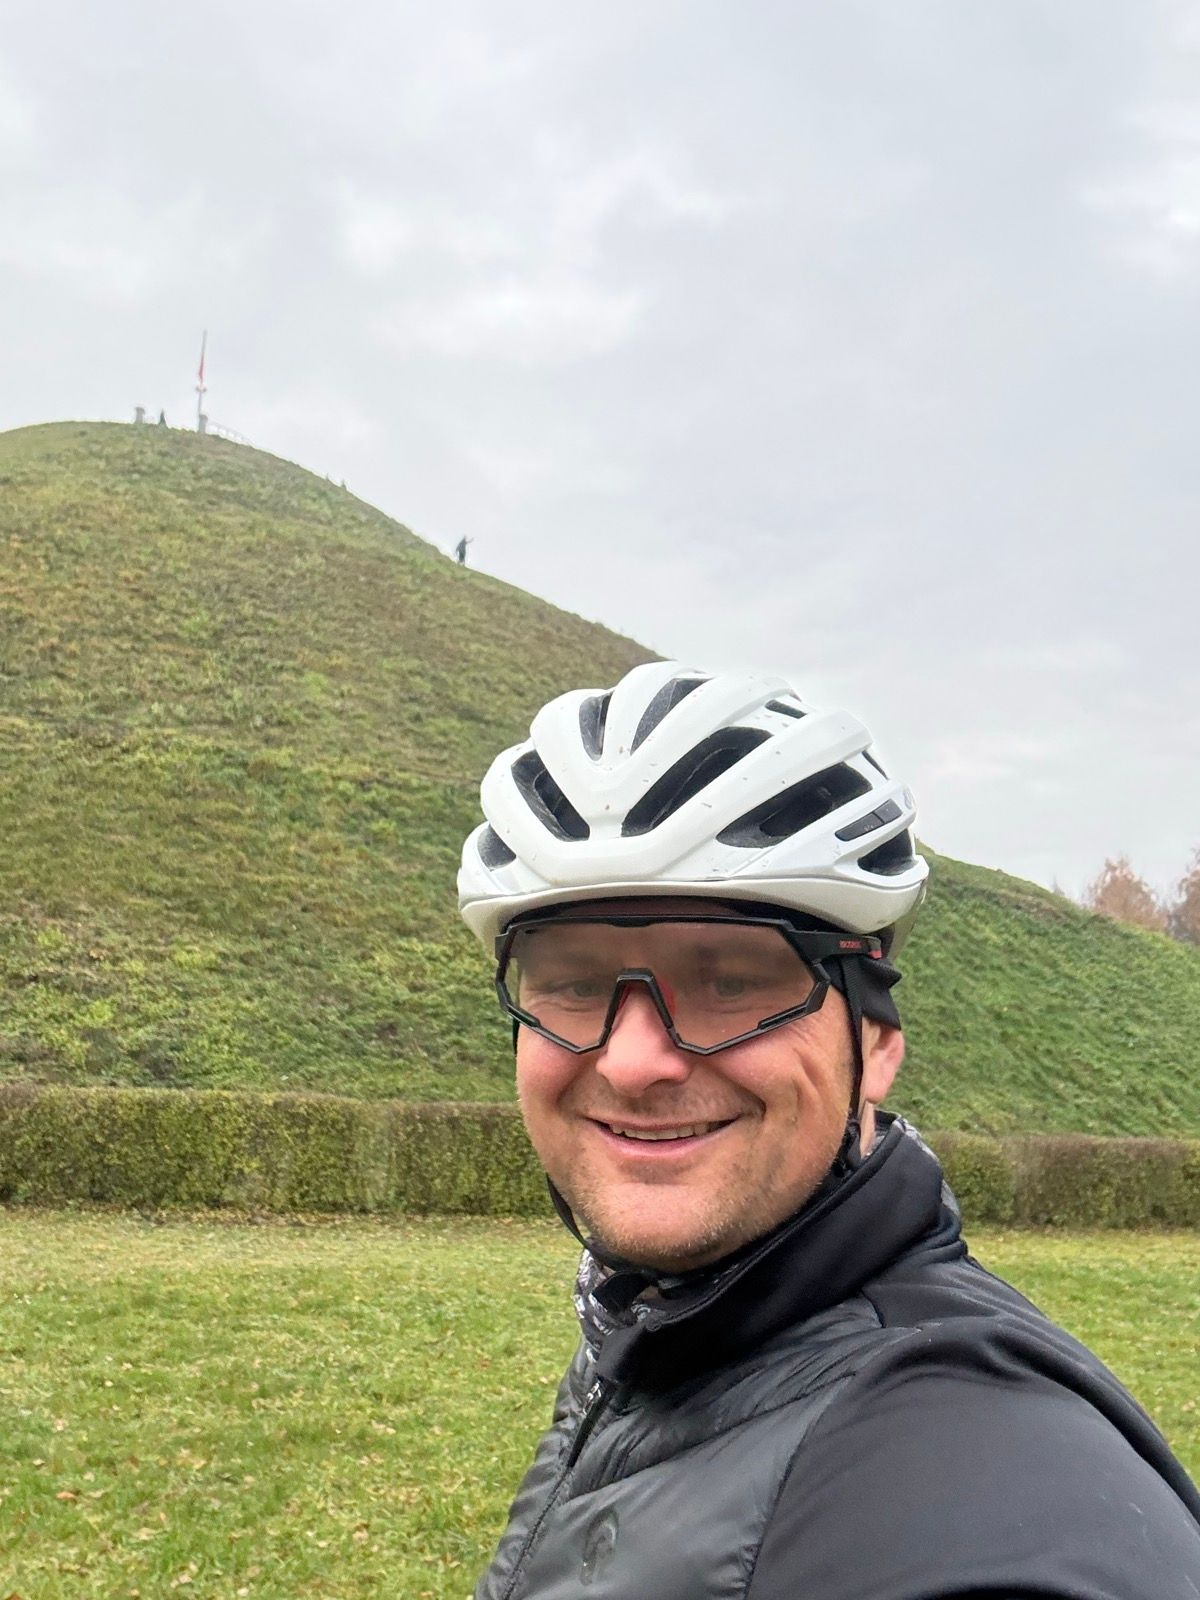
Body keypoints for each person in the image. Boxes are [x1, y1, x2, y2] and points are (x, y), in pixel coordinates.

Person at [458, 661, 1200, 1600]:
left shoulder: (980, 1469)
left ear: (877, 1043)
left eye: (732, 980)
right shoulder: (673, 1325)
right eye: (571, 981)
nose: (633, 1061)